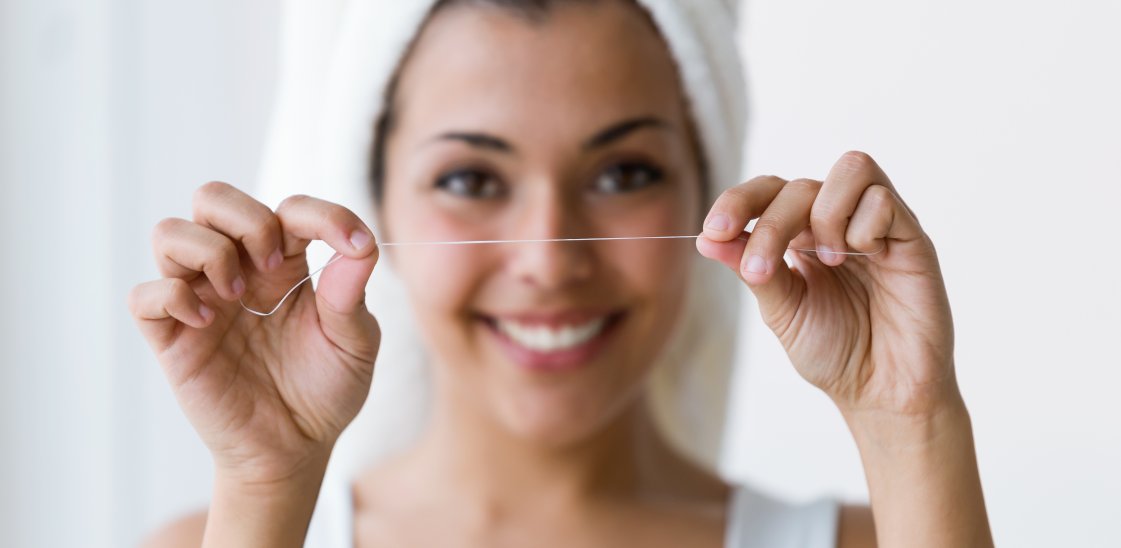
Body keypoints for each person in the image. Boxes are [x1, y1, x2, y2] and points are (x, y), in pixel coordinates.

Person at [129, 0, 993, 546]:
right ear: (373, 206)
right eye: (470, 180)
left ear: (709, 186)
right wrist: (265, 487)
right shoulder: (229, 534)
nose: (547, 261)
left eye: (623, 174)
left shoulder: (884, 538)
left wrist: (910, 425)